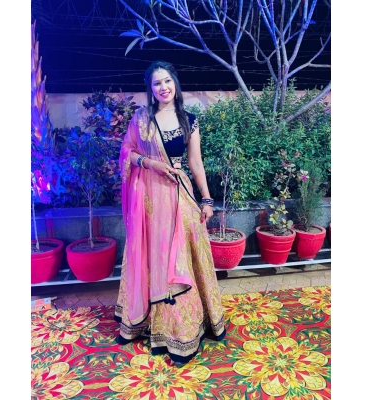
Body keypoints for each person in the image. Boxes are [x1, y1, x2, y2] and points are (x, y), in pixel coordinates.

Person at [115, 60, 226, 367]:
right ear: (150, 89)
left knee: (181, 261)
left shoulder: (189, 121)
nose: (163, 87)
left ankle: (184, 330)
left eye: (167, 81)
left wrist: (207, 200)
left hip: (180, 197)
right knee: (156, 259)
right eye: (156, 83)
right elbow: (127, 152)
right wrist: (150, 163)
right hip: (150, 202)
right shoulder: (142, 118)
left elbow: (196, 163)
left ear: (175, 82)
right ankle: (151, 324)